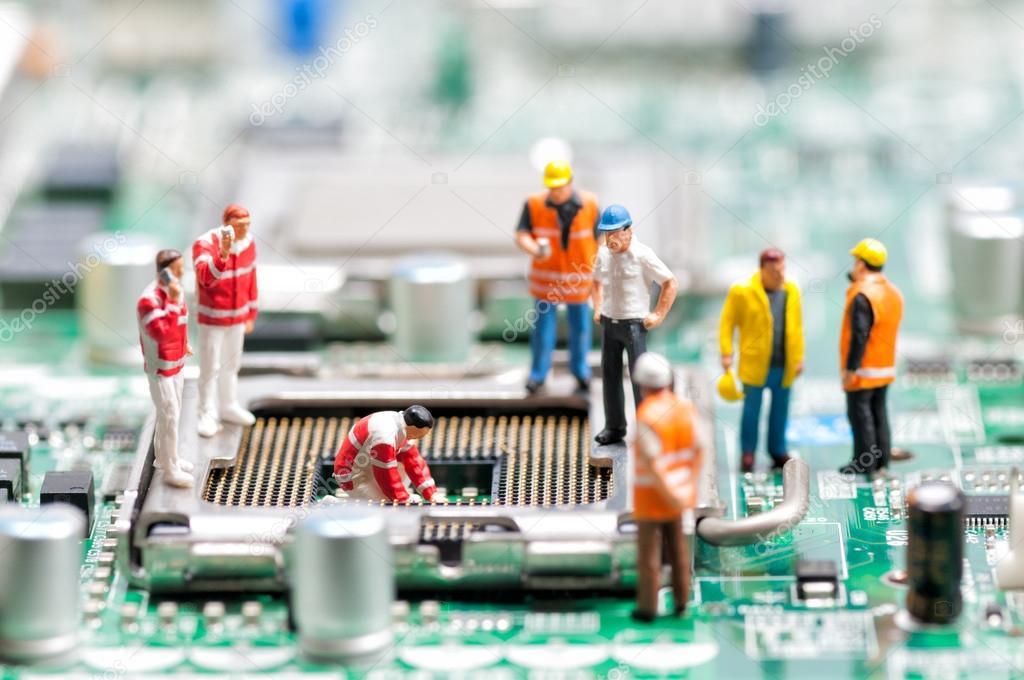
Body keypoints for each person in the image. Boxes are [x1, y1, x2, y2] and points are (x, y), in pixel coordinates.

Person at [591, 204, 678, 445]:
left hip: (634, 325)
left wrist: (658, 315)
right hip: (609, 323)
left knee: (641, 377)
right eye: (607, 233)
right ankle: (614, 426)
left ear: (628, 230)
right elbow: (595, 282)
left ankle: (646, 427)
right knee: (609, 377)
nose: (611, 239)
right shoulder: (602, 253)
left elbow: (670, 282)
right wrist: (597, 307)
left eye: (615, 233)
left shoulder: (643, 255)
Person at [515, 160, 600, 394]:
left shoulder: (590, 204)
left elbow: (599, 238)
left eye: (560, 188)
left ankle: (581, 372)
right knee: (543, 331)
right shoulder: (534, 204)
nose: (556, 193)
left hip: (578, 281)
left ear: (571, 183)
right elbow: (522, 234)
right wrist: (534, 249)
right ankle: (538, 374)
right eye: (552, 188)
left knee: (580, 329)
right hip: (546, 282)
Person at [631, 352, 703, 622]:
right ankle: (682, 603)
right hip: (680, 496)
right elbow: (700, 449)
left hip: (652, 499)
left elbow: (651, 463)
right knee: (679, 553)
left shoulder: (647, 415)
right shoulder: (684, 408)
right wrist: (686, 489)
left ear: (642, 384)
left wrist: (668, 493)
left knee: (649, 558)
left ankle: (648, 608)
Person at [719, 248, 805, 473]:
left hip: (784, 364)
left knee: (780, 411)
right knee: (751, 412)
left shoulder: (792, 290)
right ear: (763, 270)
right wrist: (726, 352)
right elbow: (727, 323)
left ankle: (777, 450)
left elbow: (797, 327)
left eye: (782, 269)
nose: (780, 275)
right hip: (755, 365)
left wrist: (798, 358)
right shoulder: (742, 291)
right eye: (774, 271)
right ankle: (748, 453)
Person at [839, 238, 903, 476]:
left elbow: (860, 335)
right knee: (879, 413)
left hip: (863, 370)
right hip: (885, 367)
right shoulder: (892, 292)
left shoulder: (862, 293)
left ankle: (864, 462)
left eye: (856, 261)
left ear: (862, 263)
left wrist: (850, 368)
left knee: (860, 416)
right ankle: (882, 460)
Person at [193, 204, 258, 437]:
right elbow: (205, 278)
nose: (244, 230)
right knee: (210, 368)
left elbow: (251, 278)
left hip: (237, 318)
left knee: (231, 365)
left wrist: (250, 312)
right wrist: (222, 254)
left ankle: (228, 405)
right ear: (227, 223)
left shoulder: (249, 244)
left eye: (247, 225)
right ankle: (206, 412)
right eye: (240, 226)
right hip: (213, 319)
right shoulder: (205, 244)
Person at [136, 249, 195, 488]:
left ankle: (166, 458)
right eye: (177, 269)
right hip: (161, 368)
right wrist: (172, 300)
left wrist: (186, 343)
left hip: (177, 362)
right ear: (164, 271)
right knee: (168, 416)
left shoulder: (176, 292)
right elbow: (161, 333)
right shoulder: (148, 301)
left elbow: (181, 322)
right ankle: (171, 470)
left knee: (172, 416)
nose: (181, 273)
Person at [333, 405, 439, 503]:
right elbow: (385, 473)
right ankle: (333, 504)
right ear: (413, 428)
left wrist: (431, 493)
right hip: (353, 475)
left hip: (370, 463)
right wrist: (403, 499)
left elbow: (414, 460)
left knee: (404, 463)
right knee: (384, 504)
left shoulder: (402, 425)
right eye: (417, 435)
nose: (417, 438)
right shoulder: (384, 437)